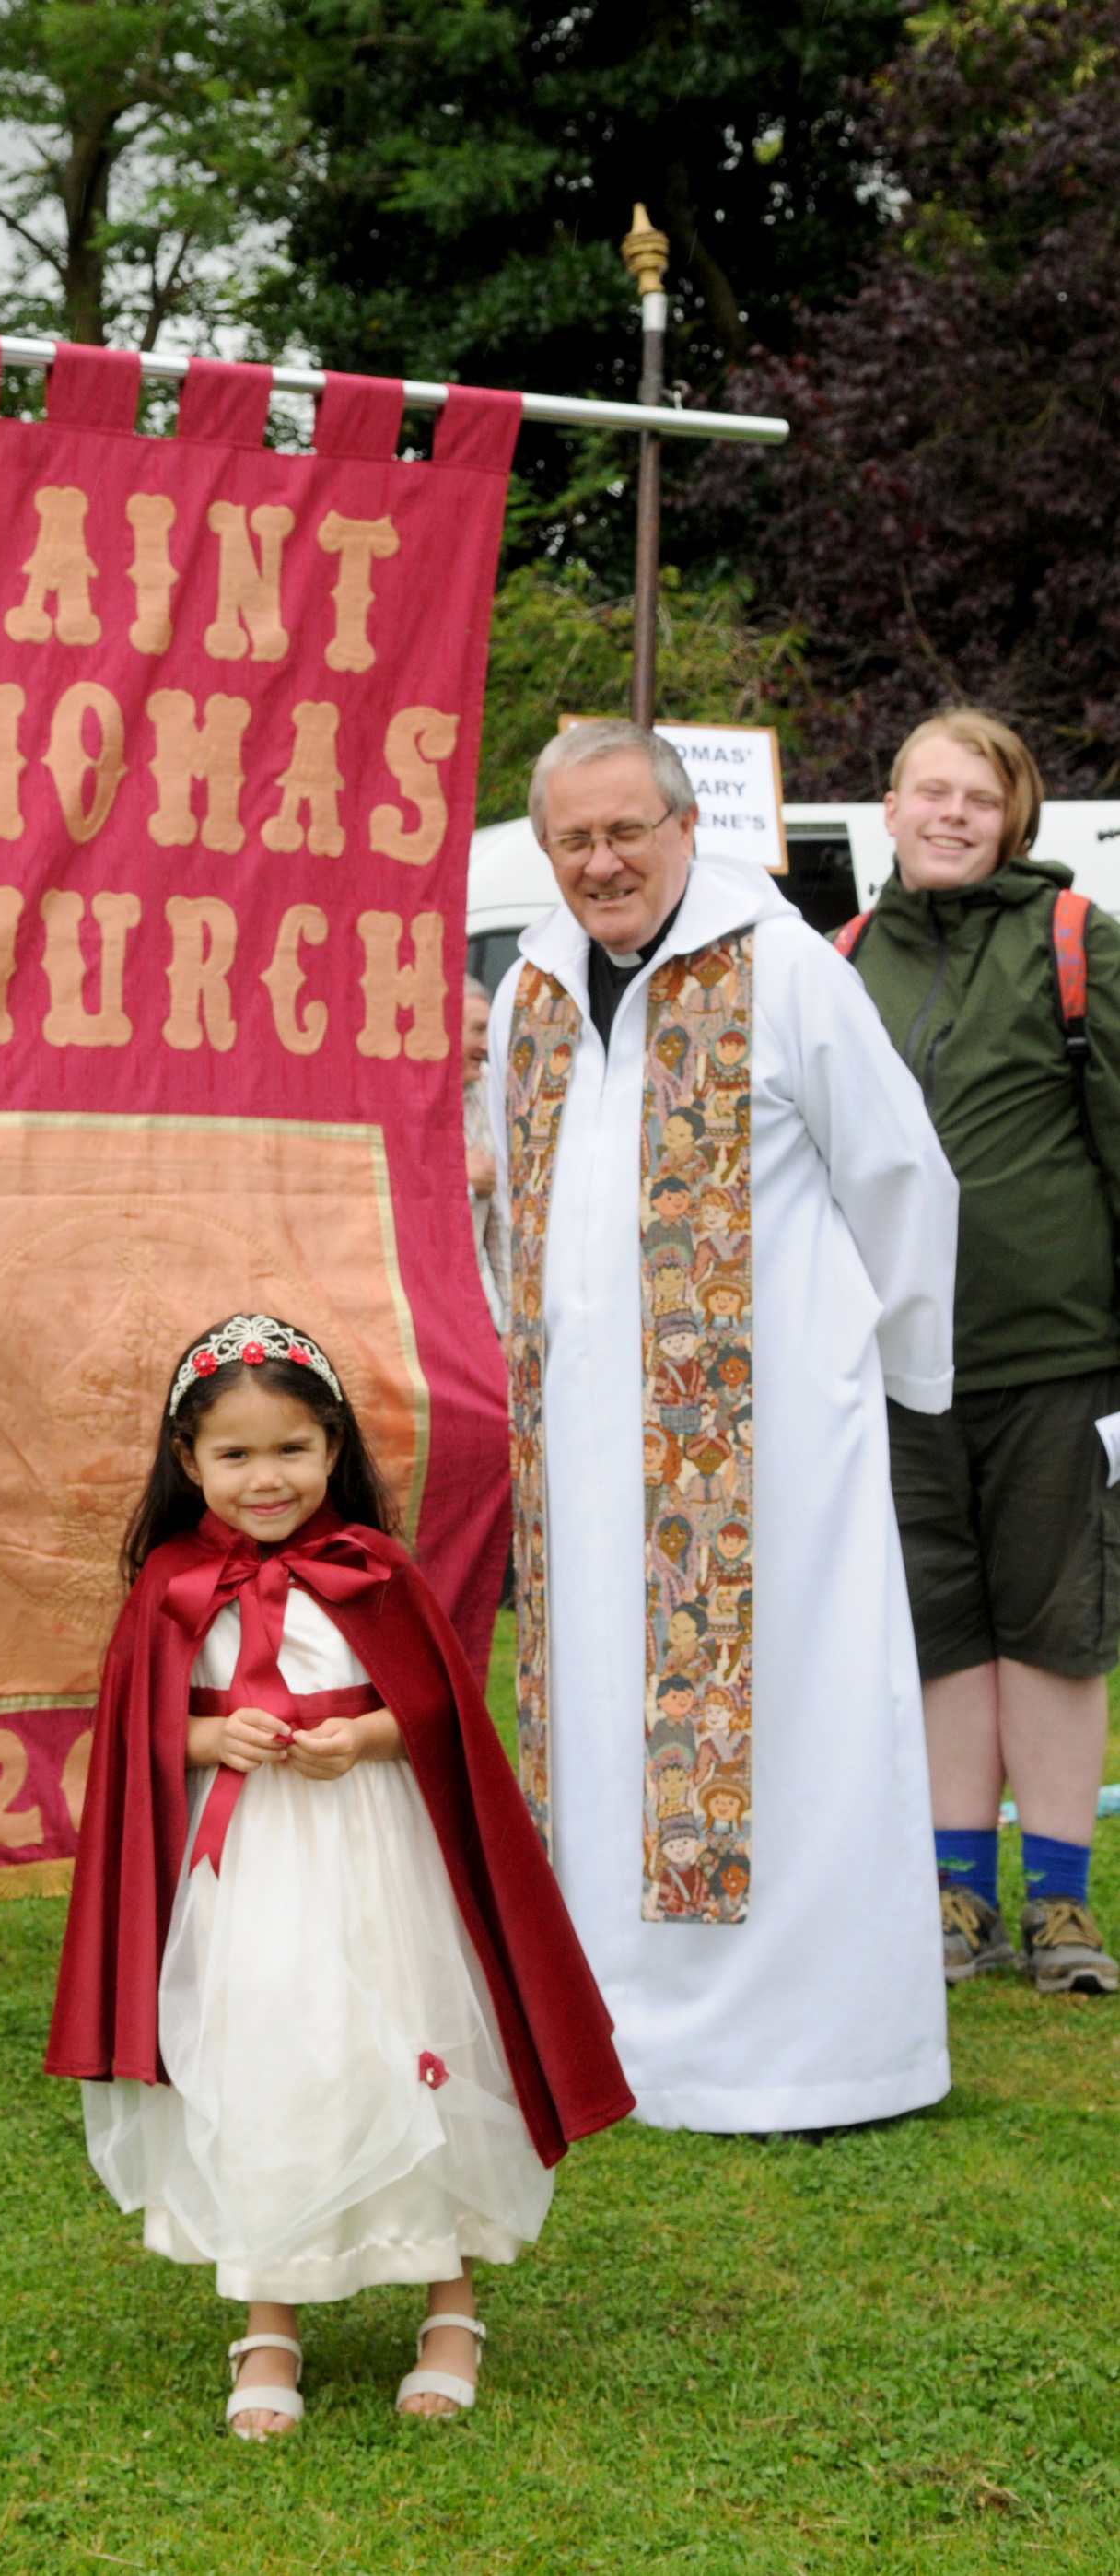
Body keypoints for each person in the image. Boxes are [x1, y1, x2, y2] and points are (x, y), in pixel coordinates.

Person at [487, 718, 960, 2134]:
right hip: (578, 1450)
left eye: (628, 829)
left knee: (786, 1732)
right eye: (574, 839)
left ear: (689, 827)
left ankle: (810, 2053)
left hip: (770, 1461)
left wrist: (883, 1379)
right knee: (600, 1732)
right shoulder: (531, 991)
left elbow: (901, 1178)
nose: (603, 861)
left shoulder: (791, 976)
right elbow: (515, 1214)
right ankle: (608, 2038)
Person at [47, 1314, 633, 2437]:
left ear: (333, 1448)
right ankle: (269, 2317)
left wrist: (358, 1739)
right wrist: (210, 1741)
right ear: (187, 1463)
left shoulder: (372, 1571)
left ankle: (448, 2304)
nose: (265, 1478)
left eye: (291, 1450)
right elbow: (133, 1733)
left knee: (407, 2051)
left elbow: (440, 1720)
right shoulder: (170, 1586)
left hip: (377, 1861)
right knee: (268, 2060)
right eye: (235, 1455)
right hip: (246, 1874)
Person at [842, 708, 1120, 1996]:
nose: (953, 815)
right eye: (930, 792)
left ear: (1016, 820)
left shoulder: (1076, 944)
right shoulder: (837, 964)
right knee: (939, 1631)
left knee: (1056, 1631)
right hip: (895, 1367)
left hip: (1057, 1356)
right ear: (888, 810)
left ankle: (1061, 1905)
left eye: (981, 797)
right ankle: (960, 1898)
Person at [462, 975, 508, 1329]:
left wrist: (510, 1320)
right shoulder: (398, 1101)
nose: (485, 1045)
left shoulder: (490, 1089)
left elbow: (500, 1222)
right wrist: (461, 1181)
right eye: (478, 1031)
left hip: (475, 1309)